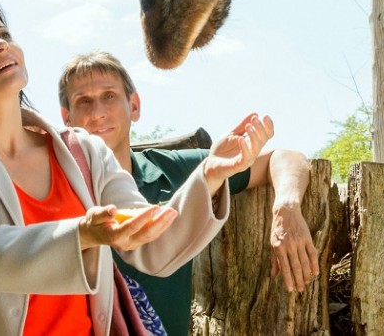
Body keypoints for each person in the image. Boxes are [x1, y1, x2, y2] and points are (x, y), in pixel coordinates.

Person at [0, 0, 275, 336]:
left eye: (3, 33)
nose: (0, 46)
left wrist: (211, 174)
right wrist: (82, 234)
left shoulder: (84, 150)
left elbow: (152, 243)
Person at [58, 51, 318, 336]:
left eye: (109, 96)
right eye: (84, 101)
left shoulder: (178, 169)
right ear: (66, 117)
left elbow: (284, 157)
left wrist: (287, 207)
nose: (97, 113)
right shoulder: (54, 188)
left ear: (134, 106)